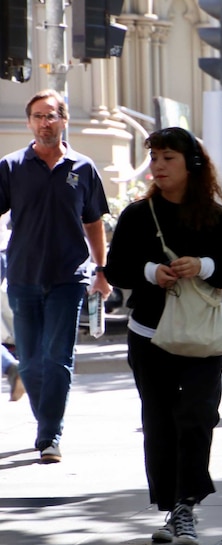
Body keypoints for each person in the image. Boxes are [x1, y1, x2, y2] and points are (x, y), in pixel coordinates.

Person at [104, 127, 222, 545]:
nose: (159, 166)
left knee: (198, 415)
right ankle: (172, 508)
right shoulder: (136, 215)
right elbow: (117, 270)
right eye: (155, 158)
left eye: (168, 158)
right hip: (149, 333)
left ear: (191, 165)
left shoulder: (215, 216)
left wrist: (202, 265)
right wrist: (152, 272)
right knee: (159, 420)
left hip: (202, 335)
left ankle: (186, 505)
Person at [0, 89, 112, 464]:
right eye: (37, 116)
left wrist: (102, 270)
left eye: (51, 116)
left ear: (64, 120)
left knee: (58, 357)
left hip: (69, 276)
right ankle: (45, 419)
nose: (44, 123)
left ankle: (49, 435)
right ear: (29, 122)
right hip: (23, 276)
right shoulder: (11, 167)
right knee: (30, 362)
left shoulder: (84, 168)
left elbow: (93, 221)